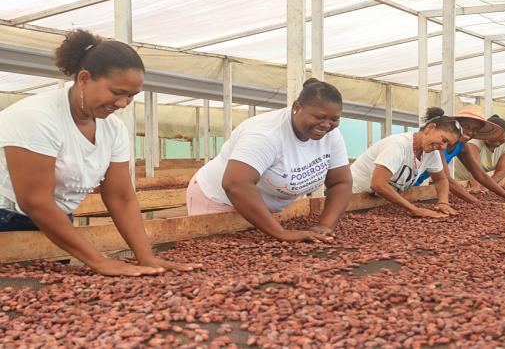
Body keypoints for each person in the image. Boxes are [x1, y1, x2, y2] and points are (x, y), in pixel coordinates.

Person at [0, 30, 200, 276]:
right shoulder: (37, 118)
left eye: (131, 96)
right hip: (7, 221)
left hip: (57, 223)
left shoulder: (112, 128)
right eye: (117, 93)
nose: (123, 104)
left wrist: (146, 257)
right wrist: (99, 261)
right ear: (84, 78)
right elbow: (35, 201)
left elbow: (121, 197)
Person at [187, 78, 353, 240]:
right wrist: (281, 233)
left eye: (334, 119)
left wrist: (325, 226)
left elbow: (340, 183)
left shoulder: (331, 136)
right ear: (297, 107)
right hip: (218, 201)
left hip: (263, 209)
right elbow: (236, 184)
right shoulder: (265, 134)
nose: (326, 125)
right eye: (318, 117)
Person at [350, 107, 461, 218]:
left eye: (448, 145)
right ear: (430, 128)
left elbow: (441, 179)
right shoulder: (398, 145)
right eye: (444, 140)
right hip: (351, 199)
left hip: (376, 203)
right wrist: (415, 210)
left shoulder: (432, 154)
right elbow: (378, 183)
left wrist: (443, 202)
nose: (443, 147)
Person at [414, 107, 505, 205]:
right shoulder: (439, 145)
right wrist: (477, 202)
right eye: (466, 126)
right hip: (400, 182)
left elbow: (481, 175)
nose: (470, 132)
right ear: (456, 125)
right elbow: (446, 180)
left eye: (475, 129)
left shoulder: (462, 147)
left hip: (412, 185)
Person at [454, 115, 505, 193]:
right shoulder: (474, 142)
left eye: (501, 139)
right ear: (485, 134)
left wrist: (487, 187)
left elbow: (501, 171)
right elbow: (473, 169)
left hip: (480, 180)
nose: (497, 143)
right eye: (494, 138)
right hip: (458, 181)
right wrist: (476, 187)